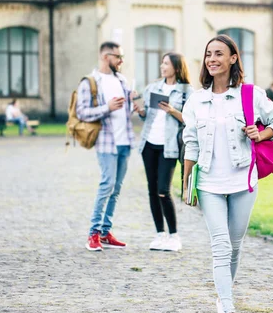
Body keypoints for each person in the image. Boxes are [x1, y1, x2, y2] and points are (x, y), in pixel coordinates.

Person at [181, 34, 273, 313]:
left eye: (218, 54)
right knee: (221, 245)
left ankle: (223, 294)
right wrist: (187, 183)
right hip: (209, 182)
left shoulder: (251, 95)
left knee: (235, 246)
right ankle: (227, 307)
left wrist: (261, 134)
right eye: (208, 54)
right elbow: (191, 142)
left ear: (232, 58)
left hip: (243, 180)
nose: (212, 59)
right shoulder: (196, 100)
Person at [78, 41, 141, 252]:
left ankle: (105, 232)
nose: (121, 61)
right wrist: (107, 107)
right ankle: (93, 234)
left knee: (116, 189)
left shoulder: (121, 79)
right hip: (106, 143)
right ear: (106, 57)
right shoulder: (90, 82)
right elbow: (82, 113)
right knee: (106, 185)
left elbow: (125, 112)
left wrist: (134, 104)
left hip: (125, 142)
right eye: (118, 57)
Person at [136, 52, 194, 252]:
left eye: (166, 63)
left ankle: (174, 235)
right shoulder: (153, 88)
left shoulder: (188, 92)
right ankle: (159, 234)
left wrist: (172, 111)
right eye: (162, 62)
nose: (162, 66)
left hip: (168, 146)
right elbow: (148, 116)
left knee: (163, 190)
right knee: (152, 190)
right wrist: (141, 112)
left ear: (176, 67)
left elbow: (191, 120)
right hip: (148, 144)